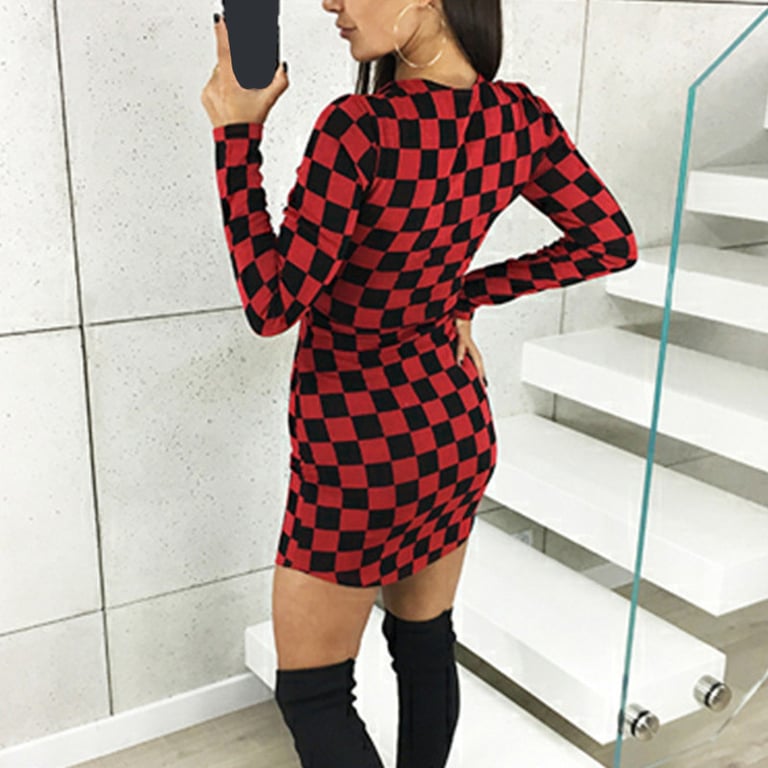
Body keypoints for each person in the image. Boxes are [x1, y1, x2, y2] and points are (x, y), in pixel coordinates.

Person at [201, 0, 638, 765]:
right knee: (426, 644)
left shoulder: (359, 130)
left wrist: (237, 136)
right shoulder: (519, 117)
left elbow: (272, 305)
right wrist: (465, 293)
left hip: (357, 449)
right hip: (453, 429)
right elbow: (609, 240)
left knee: (313, 694)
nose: (331, 3)